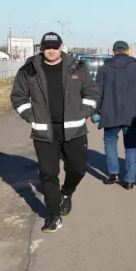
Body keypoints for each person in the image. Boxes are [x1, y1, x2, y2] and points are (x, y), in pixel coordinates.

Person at [10, 32, 99, 233]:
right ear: (41, 47)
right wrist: (31, 116)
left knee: (78, 169)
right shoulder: (29, 70)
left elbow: (92, 92)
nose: (51, 51)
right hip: (45, 131)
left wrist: (84, 112)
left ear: (62, 46)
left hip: (74, 129)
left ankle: (67, 192)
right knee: (48, 174)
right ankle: (53, 214)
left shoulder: (77, 67)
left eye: (55, 47)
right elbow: (18, 96)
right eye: (47, 47)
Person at [93, 40, 136, 190]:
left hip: (110, 113)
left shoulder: (105, 68)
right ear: (128, 51)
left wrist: (95, 111)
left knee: (110, 141)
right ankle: (130, 180)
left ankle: (113, 174)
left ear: (113, 51)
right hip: (132, 115)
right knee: (131, 146)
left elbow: (98, 93)